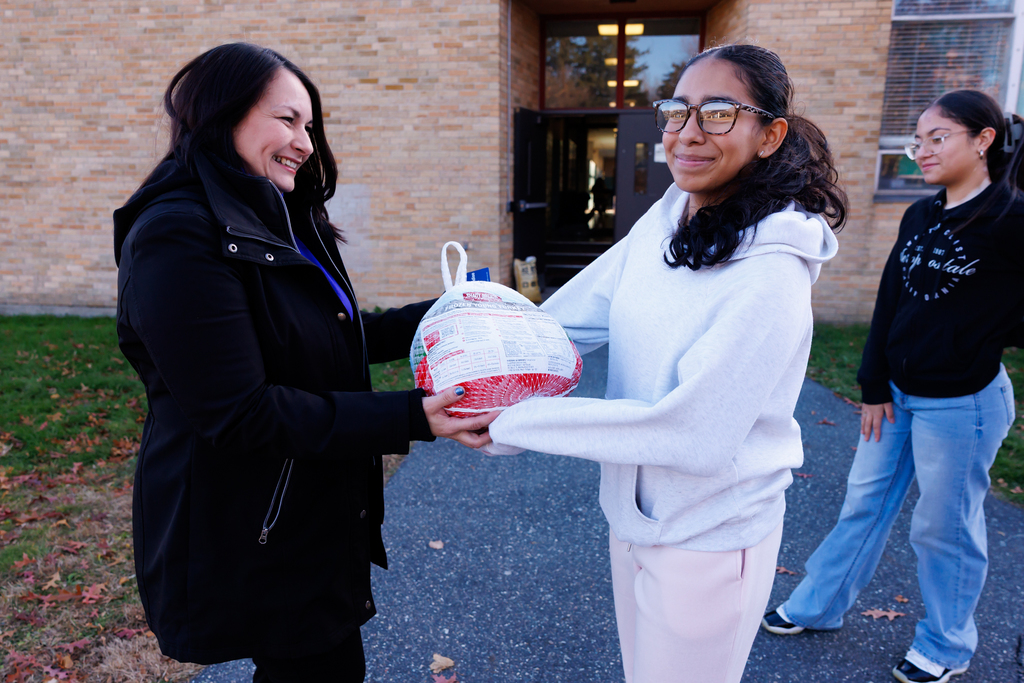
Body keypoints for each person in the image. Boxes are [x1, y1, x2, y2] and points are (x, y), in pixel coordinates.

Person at [112, 43, 495, 683]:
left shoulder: (281, 220)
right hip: (253, 524)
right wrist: (414, 415)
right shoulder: (178, 236)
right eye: (287, 120)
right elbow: (239, 411)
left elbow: (328, 337)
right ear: (220, 115)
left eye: (310, 125)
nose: (306, 143)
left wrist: (448, 311)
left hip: (309, 511)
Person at [481, 44, 847, 683]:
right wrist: (481, 365)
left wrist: (508, 423)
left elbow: (693, 434)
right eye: (677, 111)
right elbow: (569, 319)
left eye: (720, 113)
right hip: (635, 520)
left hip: (709, 540)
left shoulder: (771, 276)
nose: (689, 133)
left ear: (770, 135)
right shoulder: (669, 217)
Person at [761, 90, 1024, 683]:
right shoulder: (920, 215)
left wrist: (986, 335)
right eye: (918, 140)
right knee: (864, 503)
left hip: (963, 403)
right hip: (895, 396)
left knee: (944, 526)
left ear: (983, 140)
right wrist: (873, 382)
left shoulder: (1012, 220)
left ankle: (947, 646)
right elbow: (891, 301)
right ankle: (819, 606)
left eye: (939, 138)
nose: (922, 152)